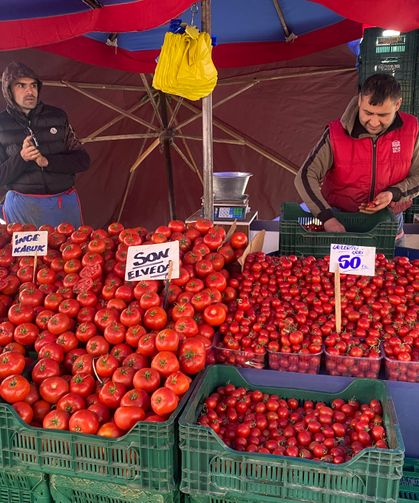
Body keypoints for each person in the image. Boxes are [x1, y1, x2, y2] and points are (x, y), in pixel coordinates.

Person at [294, 73, 419, 239]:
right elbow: (305, 176)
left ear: (398, 104)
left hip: (389, 220)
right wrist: (326, 217)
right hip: (339, 219)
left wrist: (393, 194)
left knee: (389, 264)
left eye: (383, 115)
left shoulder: (412, 129)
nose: (374, 123)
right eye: (367, 113)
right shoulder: (335, 133)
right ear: (360, 100)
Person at [0, 61, 90, 228]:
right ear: (8, 90)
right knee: (29, 256)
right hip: (23, 207)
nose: (29, 91)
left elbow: (83, 160)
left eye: (33, 85)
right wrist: (22, 158)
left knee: (69, 253)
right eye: (21, 85)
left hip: (63, 204)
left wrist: (47, 162)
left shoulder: (57, 116)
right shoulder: (1, 125)